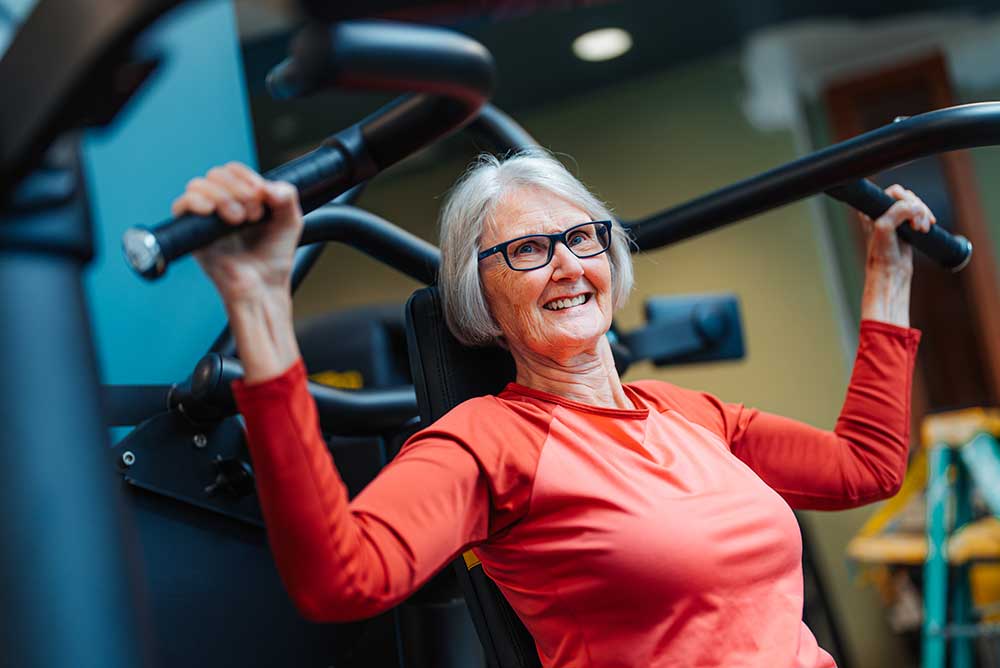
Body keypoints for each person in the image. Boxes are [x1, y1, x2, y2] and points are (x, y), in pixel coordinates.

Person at [173, 151, 930, 667]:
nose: (567, 263)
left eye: (580, 238)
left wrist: (887, 276)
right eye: (528, 251)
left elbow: (864, 468)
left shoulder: (686, 412)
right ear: (481, 298)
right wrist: (259, 299)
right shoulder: (490, 442)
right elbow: (341, 579)